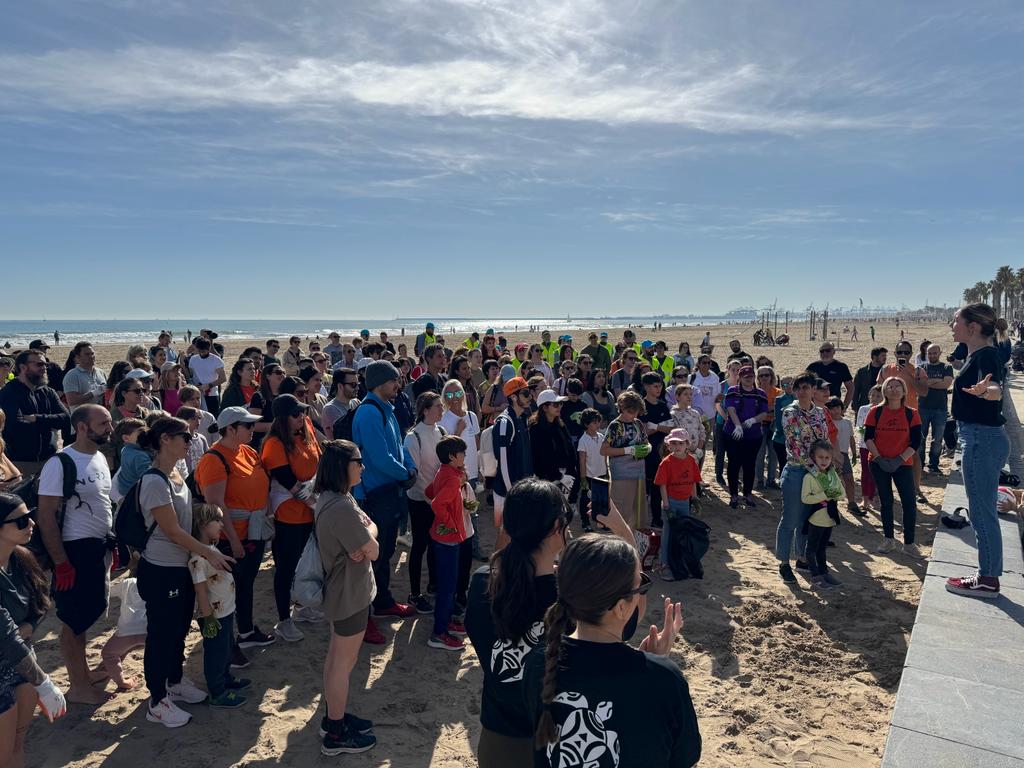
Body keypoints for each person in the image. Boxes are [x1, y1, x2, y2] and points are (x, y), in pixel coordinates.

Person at [523, 534, 699, 768]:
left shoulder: (538, 663)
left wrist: (649, 662)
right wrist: (654, 664)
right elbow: (684, 757)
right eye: (641, 586)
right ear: (621, 607)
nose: (641, 594)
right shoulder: (665, 679)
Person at [135, 416, 233, 727]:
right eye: (185, 437)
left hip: (180, 567)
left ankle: (174, 682)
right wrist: (208, 551)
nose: (190, 442)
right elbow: (173, 531)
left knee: (178, 630)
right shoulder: (153, 481)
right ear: (165, 439)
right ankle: (156, 700)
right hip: (161, 568)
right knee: (161, 634)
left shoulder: (177, 473)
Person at [35, 404, 114, 706]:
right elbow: (46, 517)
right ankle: (78, 686)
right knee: (72, 620)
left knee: (87, 614)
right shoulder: (61, 463)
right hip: (74, 551)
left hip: (97, 548)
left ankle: (83, 674)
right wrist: (61, 563)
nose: (110, 428)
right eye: (103, 423)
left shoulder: (99, 457)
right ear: (82, 426)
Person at [195, 407, 274, 666]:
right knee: (225, 593)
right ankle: (227, 646)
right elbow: (216, 506)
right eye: (247, 426)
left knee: (245, 584)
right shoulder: (214, 459)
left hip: (254, 530)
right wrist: (234, 540)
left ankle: (247, 631)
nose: (253, 430)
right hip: (232, 537)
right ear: (230, 429)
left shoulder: (248, 451)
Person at [314, 439, 378, 756]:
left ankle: (333, 718)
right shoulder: (341, 506)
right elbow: (375, 550)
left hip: (344, 591)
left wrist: (368, 534)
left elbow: (371, 532)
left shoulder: (336, 498)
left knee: (337, 659)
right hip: (348, 593)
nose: (362, 466)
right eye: (358, 461)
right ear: (343, 466)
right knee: (343, 663)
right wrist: (367, 536)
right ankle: (336, 734)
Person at [945, 303, 1009, 598]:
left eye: (955, 320)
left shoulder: (986, 355)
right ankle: (988, 575)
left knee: (982, 513)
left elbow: (994, 387)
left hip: (981, 439)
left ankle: (987, 579)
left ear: (972, 327)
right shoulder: (980, 354)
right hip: (981, 437)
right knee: (983, 510)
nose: (951, 325)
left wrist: (987, 391)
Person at [0, 493, 67, 764]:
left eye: (30, 516)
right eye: (21, 521)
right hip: (13, 663)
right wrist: (44, 682)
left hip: (20, 666)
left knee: (18, 742)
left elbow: (41, 602)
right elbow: (5, 635)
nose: (31, 524)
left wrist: (27, 625)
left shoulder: (22, 558)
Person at [352, 361, 418, 630]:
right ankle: (365, 614)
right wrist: (405, 474)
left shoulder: (385, 409)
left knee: (387, 550)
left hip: (390, 489)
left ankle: (382, 601)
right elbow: (379, 457)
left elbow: (399, 446)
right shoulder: (369, 413)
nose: (398, 384)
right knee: (372, 555)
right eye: (393, 380)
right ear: (379, 384)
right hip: (375, 493)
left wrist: (409, 468)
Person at [260, 394, 323, 642]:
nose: (302, 417)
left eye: (303, 413)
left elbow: (317, 460)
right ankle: (283, 620)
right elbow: (288, 482)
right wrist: (317, 504)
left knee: (304, 563)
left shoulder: (304, 432)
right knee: (286, 567)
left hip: (308, 510)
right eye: (296, 414)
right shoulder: (275, 443)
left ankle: (301, 606)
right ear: (283, 418)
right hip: (289, 514)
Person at [189, 504, 249, 708]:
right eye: (218, 521)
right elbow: (200, 590)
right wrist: (208, 618)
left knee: (225, 650)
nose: (222, 525)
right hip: (214, 615)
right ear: (204, 524)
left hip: (226, 611)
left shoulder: (211, 550)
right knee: (215, 653)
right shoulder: (198, 557)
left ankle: (226, 678)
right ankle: (217, 691)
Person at [776, 372, 829, 583]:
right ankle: (783, 562)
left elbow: (824, 440)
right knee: (791, 518)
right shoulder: (790, 412)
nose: (802, 391)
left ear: (813, 389)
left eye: (806, 387)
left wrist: (825, 466)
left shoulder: (820, 412)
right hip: (797, 470)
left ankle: (801, 557)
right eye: (798, 387)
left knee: (807, 518)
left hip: (816, 470)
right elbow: (795, 445)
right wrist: (816, 469)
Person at [864, 377, 922, 557]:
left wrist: (899, 460)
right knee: (886, 501)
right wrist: (880, 458)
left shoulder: (912, 413)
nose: (894, 389)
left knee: (909, 502)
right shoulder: (875, 412)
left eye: (898, 386)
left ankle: (909, 543)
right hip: (878, 462)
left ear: (904, 391)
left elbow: (916, 441)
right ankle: (889, 539)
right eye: (890, 385)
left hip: (903, 463)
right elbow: (868, 438)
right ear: (884, 391)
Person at [423, 435, 472, 651]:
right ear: (452, 456)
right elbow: (437, 504)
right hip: (448, 539)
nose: (465, 455)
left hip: (440, 537)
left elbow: (429, 492)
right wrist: (451, 524)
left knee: (447, 585)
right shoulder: (452, 478)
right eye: (462, 453)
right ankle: (439, 633)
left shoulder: (445, 471)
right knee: (448, 587)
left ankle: (445, 623)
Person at [403, 392, 445, 615]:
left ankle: (433, 585)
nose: (442, 409)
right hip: (420, 501)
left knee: (436, 543)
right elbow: (416, 476)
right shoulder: (413, 437)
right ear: (425, 410)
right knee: (420, 545)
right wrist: (431, 501)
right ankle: (415, 593)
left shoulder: (441, 432)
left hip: (438, 501)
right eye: (438, 406)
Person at [0, 349, 70, 477]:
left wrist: (36, 418)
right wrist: (50, 424)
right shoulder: (9, 393)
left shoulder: (48, 392)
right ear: (23, 367)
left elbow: (66, 419)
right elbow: (17, 427)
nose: (44, 368)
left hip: (49, 459)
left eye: (45, 364)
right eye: (39, 364)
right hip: (20, 463)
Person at [439, 379, 482, 561]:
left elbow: (477, 445)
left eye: (458, 393)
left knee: (472, 511)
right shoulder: (444, 419)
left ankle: (474, 548)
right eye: (449, 395)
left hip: (471, 473)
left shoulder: (471, 415)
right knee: (457, 511)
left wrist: (480, 469)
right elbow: (445, 450)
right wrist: (457, 430)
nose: (455, 398)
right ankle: (462, 547)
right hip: (455, 476)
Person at [491, 377, 534, 549]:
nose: (530, 396)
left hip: (521, 490)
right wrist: (512, 492)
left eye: (529, 392)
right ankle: (496, 570)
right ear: (513, 397)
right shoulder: (504, 422)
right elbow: (503, 462)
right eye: (525, 393)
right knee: (506, 533)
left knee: (520, 535)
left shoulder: (523, 418)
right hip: (508, 492)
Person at [94, 552, 146, 691]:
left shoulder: (128, 583)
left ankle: (122, 682)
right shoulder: (157, 584)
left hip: (126, 631)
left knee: (109, 654)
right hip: (148, 630)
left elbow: (109, 592)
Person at [654, 428, 701, 580]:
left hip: (685, 502)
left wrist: (694, 499)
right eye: (674, 443)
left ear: (687, 444)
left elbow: (694, 481)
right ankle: (664, 564)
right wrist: (666, 507)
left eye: (681, 443)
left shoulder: (692, 460)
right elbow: (662, 486)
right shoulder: (666, 463)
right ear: (669, 445)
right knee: (668, 532)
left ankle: (679, 561)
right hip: (671, 502)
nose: (677, 446)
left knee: (683, 533)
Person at [601, 391, 651, 530]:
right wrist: (628, 450)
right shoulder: (615, 426)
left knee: (638, 510)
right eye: (630, 412)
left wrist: (648, 448)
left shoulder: (638, 423)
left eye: (636, 412)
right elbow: (604, 450)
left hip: (639, 473)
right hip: (622, 474)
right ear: (622, 408)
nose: (633, 416)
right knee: (622, 509)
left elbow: (646, 441)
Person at [722, 365, 769, 508]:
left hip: (753, 436)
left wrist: (753, 420)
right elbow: (731, 410)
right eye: (745, 377)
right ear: (740, 378)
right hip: (733, 434)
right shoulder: (733, 391)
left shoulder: (760, 393)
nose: (749, 379)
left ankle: (748, 494)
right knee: (734, 464)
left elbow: (764, 413)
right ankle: (734, 495)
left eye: (751, 376)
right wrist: (738, 426)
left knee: (749, 465)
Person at [801, 440, 845, 589]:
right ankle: (815, 576)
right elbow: (805, 498)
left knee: (822, 548)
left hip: (830, 519)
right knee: (811, 549)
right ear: (813, 457)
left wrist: (831, 494)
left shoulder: (832, 474)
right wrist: (825, 494)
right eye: (820, 457)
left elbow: (842, 493)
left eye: (827, 458)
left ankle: (824, 572)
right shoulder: (810, 477)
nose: (824, 461)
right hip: (816, 519)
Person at [915, 344, 953, 474]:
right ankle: (920, 464)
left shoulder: (947, 367)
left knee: (937, 439)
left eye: (934, 353)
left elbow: (946, 384)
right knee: (921, 438)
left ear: (940, 353)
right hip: (922, 407)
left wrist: (928, 383)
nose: (932, 355)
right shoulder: (921, 368)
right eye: (929, 353)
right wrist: (936, 381)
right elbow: (918, 385)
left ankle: (933, 464)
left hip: (940, 408)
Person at [826, 397, 862, 516]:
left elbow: (851, 438)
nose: (835, 411)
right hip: (830, 455)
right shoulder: (827, 423)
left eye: (837, 408)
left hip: (844, 454)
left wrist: (854, 453)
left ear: (842, 409)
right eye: (832, 408)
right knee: (833, 481)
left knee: (849, 479)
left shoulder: (847, 422)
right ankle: (832, 505)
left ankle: (851, 503)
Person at [856, 385, 883, 509]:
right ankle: (865, 498)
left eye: (878, 396)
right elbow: (859, 426)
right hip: (864, 445)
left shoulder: (884, 409)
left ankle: (872, 497)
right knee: (865, 472)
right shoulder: (863, 409)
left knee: (875, 472)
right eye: (873, 395)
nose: (875, 398)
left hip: (880, 446)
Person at [807, 341, 854, 408]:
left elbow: (850, 387)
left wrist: (845, 406)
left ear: (834, 352)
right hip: (815, 405)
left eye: (828, 350)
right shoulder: (813, 366)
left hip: (833, 406)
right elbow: (803, 384)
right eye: (822, 351)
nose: (825, 353)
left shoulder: (841, 367)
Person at [187, 338, 226, 416]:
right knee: (198, 417)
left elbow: (223, 378)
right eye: (200, 351)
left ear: (208, 349)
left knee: (213, 418)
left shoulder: (216, 360)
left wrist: (209, 385)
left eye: (204, 351)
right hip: (197, 394)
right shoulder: (193, 359)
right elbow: (191, 375)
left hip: (212, 394)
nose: (202, 353)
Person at [62, 342, 107, 408]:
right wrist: (94, 393)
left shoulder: (101, 372)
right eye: (87, 354)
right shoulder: (72, 375)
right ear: (78, 357)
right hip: (83, 416)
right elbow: (71, 401)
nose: (91, 356)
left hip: (101, 414)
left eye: (92, 353)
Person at [322, 368, 360, 440]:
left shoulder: (356, 402)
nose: (357, 388)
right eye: (353, 385)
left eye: (358, 384)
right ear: (340, 386)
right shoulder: (330, 409)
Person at [850, 347, 888, 414]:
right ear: (874, 357)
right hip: (864, 405)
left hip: (882, 406)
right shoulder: (862, 372)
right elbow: (855, 389)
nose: (885, 358)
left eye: (885, 356)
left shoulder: (887, 371)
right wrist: (855, 405)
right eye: (882, 356)